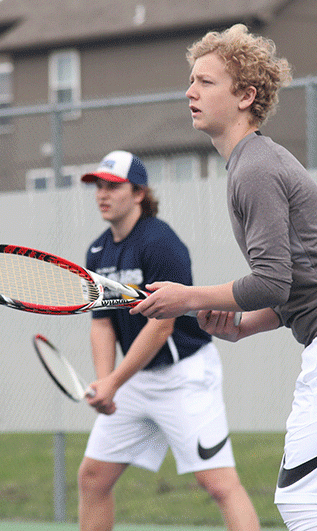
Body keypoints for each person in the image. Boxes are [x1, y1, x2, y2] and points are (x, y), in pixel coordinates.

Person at [130, 24, 317, 531]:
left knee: (301, 500)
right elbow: (295, 284)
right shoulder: (252, 165)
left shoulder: (255, 169)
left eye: (206, 82)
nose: (190, 92)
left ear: (246, 96)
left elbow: (272, 281)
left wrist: (187, 299)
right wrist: (243, 325)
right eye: (191, 81)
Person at [77, 149, 260, 531]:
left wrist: (113, 382)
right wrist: (104, 381)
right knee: (92, 478)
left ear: (139, 193)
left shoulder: (160, 242)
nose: (102, 194)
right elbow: (102, 324)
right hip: (135, 378)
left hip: (184, 375)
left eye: (113, 186)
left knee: (218, 484)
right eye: (98, 186)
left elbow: (161, 327)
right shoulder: (97, 251)